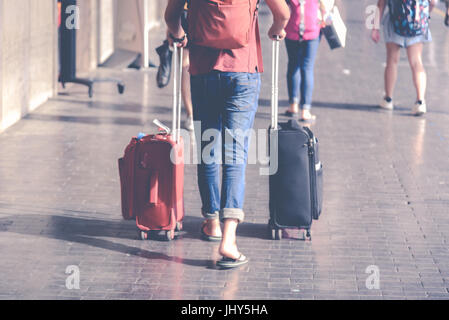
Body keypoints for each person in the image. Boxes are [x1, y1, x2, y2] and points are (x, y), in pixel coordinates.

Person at [165, 0, 290, 268]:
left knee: (208, 147)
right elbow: (282, 13)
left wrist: (178, 34)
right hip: (243, 70)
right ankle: (229, 239)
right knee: (235, 153)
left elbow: (171, 15)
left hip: (202, 70)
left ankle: (211, 222)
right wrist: (275, 29)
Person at [371, 0, 437, 116]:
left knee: (392, 60)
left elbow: (381, 4)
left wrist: (375, 28)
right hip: (417, 26)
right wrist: (425, 16)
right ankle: (420, 101)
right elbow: (432, 3)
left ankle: (388, 99)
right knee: (416, 62)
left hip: (394, 23)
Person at [284, 0, 334, 122]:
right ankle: (305, 111)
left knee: (293, 65)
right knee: (307, 68)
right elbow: (327, 5)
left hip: (292, 28)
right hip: (312, 28)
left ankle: (293, 105)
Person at [156, 3, 194, 131]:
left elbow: (172, 10)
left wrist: (172, 28)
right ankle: (195, 113)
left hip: (184, 12)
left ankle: (191, 115)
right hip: (208, 14)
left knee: (185, 65)